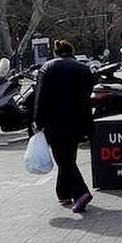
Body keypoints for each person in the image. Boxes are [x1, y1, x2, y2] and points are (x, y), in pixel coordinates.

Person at [33, 39, 95, 213]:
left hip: (55, 122)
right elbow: (88, 94)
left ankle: (81, 192)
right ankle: (64, 193)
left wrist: (37, 121)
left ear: (55, 52)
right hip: (78, 121)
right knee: (69, 157)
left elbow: (41, 96)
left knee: (64, 160)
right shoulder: (83, 69)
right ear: (72, 52)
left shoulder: (48, 68)